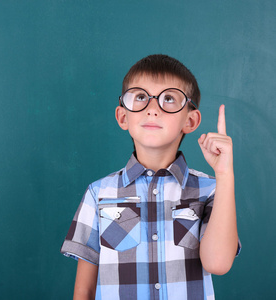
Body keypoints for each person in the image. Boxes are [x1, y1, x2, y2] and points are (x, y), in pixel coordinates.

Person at [60, 54, 240, 300]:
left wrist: (224, 174)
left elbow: (218, 264)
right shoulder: (98, 193)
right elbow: (85, 290)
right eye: (141, 97)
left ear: (190, 120)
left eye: (169, 99)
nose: (153, 109)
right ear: (123, 116)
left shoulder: (210, 191)